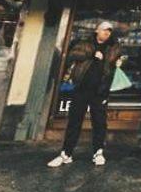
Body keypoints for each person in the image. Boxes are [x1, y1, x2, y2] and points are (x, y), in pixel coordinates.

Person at [48, 21, 121, 168]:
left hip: (100, 91)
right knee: (74, 121)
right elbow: (72, 54)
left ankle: (98, 152)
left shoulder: (113, 47)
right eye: (104, 30)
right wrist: (92, 54)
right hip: (81, 88)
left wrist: (117, 62)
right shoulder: (85, 44)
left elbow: (116, 58)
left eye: (109, 31)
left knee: (99, 122)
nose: (107, 33)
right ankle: (66, 153)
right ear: (97, 31)